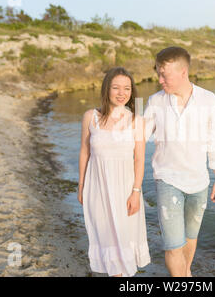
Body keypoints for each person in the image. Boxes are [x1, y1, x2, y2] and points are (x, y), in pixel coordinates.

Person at [143, 46, 215, 277]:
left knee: (190, 238)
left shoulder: (209, 100)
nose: (159, 80)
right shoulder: (156, 102)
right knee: (172, 244)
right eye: (158, 73)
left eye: (164, 75)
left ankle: (186, 274)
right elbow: (139, 137)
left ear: (183, 72)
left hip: (199, 182)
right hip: (167, 179)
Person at [77, 67, 151, 277]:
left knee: (124, 244)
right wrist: (81, 185)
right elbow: (84, 152)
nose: (121, 93)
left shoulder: (137, 121)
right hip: (97, 189)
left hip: (126, 192)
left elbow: (139, 159)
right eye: (116, 87)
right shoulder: (90, 117)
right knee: (107, 242)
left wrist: (136, 192)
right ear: (106, 89)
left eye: (126, 88)